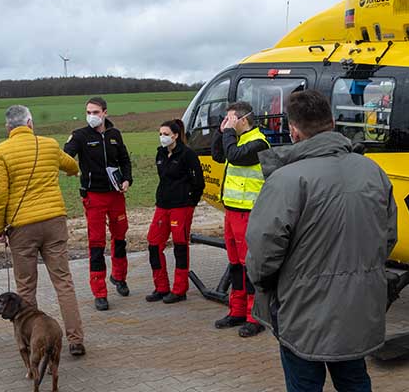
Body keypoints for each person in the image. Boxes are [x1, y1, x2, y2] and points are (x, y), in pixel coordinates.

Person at [246, 90, 398, 392]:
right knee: (354, 379)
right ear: (331, 122)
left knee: (304, 383)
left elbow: (264, 253)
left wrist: (263, 283)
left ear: (293, 129)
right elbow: (389, 237)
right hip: (358, 306)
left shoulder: (287, 179)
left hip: (303, 310)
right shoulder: (372, 171)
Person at [0, 105, 86, 357]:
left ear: (8, 128)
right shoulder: (49, 144)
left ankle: (30, 343)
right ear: (30, 123)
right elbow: (72, 167)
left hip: (21, 228)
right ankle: (75, 339)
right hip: (54, 221)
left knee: (26, 288)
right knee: (63, 283)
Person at [64, 96, 132, 311]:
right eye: (88, 112)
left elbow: (124, 160)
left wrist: (127, 179)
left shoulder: (114, 135)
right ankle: (99, 291)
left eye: (95, 112)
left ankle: (119, 277)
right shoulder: (80, 135)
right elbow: (66, 156)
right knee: (96, 243)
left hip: (116, 194)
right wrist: (69, 160)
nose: (91, 116)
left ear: (105, 113)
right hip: (94, 196)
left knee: (120, 236)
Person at [210, 101, 270, 337]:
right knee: (235, 265)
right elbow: (218, 154)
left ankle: (253, 317)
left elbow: (234, 156)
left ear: (243, 120)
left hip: (249, 213)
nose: (228, 123)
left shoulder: (258, 143)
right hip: (232, 211)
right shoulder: (233, 139)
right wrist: (220, 131)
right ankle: (236, 311)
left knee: (248, 266)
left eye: (231, 119)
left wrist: (227, 134)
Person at [145, 119, 205, 304]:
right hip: (163, 205)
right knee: (154, 244)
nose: (162, 137)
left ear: (176, 135)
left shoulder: (187, 155)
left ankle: (179, 290)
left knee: (180, 246)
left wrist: (190, 202)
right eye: (160, 134)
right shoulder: (160, 154)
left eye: (166, 134)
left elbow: (199, 183)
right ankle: (161, 287)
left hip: (181, 206)